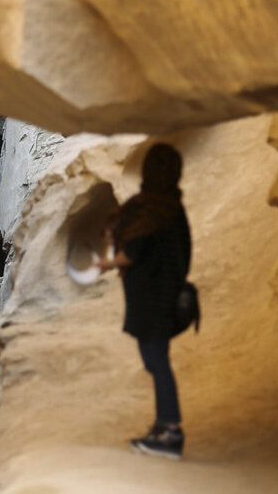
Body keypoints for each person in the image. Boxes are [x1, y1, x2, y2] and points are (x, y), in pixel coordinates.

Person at [96, 143, 192, 460]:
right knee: (157, 360)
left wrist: (103, 264)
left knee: (157, 363)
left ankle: (170, 432)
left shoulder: (149, 210)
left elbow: (129, 254)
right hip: (167, 295)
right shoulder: (172, 207)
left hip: (151, 301)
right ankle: (164, 425)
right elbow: (184, 252)